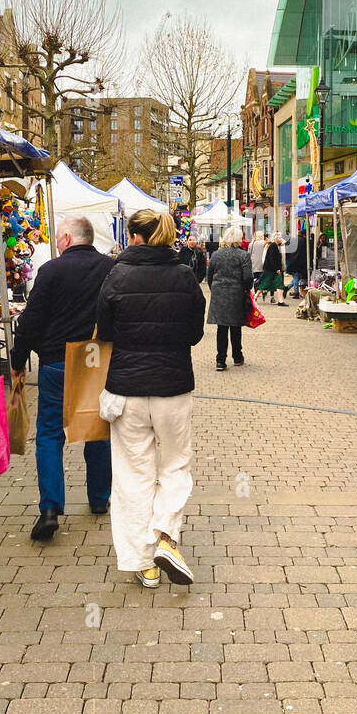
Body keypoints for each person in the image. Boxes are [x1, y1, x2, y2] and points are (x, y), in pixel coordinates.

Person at [96, 209, 206, 589]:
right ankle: (165, 537)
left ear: (136, 237)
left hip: (126, 388)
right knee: (175, 466)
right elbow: (194, 334)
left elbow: (105, 330)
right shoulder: (185, 275)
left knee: (132, 475)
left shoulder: (117, 275)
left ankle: (144, 562)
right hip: (173, 387)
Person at [10, 214, 115, 541]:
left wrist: (18, 359)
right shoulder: (110, 269)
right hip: (96, 358)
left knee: (50, 434)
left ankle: (51, 508)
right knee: (96, 428)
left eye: (58, 237)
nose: (56, 242)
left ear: (68, 238)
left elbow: (32, 320)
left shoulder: (51, 271)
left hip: (56, 360)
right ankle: (99, 498)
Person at [206, 225, 252, 370]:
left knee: (222, 328)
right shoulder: (243, 255)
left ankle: (220, 360)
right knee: (236, 327)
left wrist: (214, 289)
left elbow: (210, 275)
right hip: (236, 293)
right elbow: (248, 277)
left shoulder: (216, 254)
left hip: (219, 293)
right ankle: (237, 356)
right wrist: (247, 289)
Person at [260, 234, 286, 305]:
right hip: (272, 268)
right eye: (279, 238)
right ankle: (257, 296)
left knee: (276, 283)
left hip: (274, 268)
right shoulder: (272, 246)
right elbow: (271, 258)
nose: (281, 239)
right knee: (265, 282)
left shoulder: (278, 245)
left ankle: (279, 300)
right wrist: (276, 268)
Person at [286, 231, 308, 299]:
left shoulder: (292, 241)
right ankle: (296, 292)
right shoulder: (304, 241)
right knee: (297, 277)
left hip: (293, 261)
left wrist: (288, 260)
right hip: (301, 262)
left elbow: (287, 252)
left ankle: (287, 288)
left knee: (296, 277)